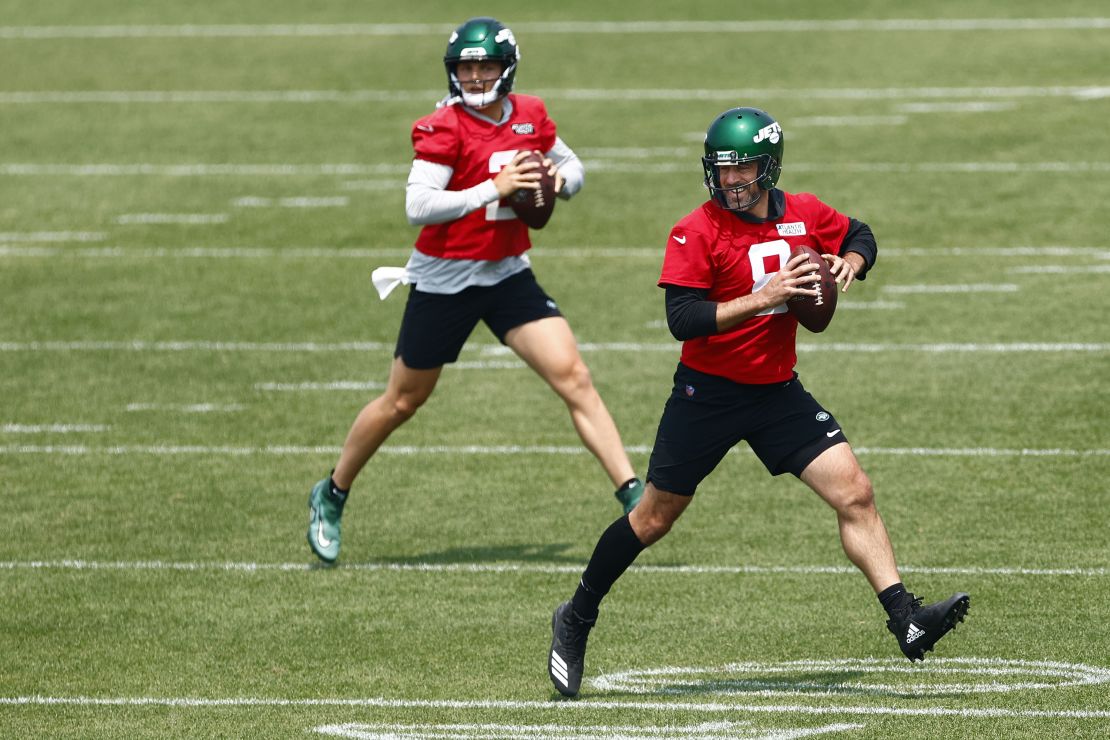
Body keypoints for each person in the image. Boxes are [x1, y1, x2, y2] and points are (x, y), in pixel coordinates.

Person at [547, 107, 970, 698]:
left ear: (768, 168)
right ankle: (577, 615)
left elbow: (859, 232)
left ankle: (906, 618)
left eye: (743, 169)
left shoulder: (803, 212)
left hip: (776, 391)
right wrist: (762, 296)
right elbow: (683, 319)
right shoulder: (695, 230)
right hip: (707, 395)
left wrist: (851, 261)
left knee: (855, 490)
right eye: (722, 171)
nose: (731, 182)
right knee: (653, 518)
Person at [305, 17, 644, 564]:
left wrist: (559, 182)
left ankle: (633, 493)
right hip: (445, 279)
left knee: (573, 375)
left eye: (485, 65)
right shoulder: (444, 127)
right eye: (466, 65)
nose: (476, 75)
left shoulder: (529, 114)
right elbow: (418, 205)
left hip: (507, 272)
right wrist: (495, 187)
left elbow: (572, 165)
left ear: (506, 69)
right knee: (403, 401)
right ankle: (333, 491)